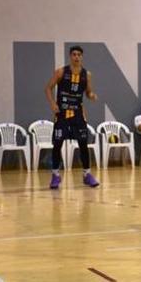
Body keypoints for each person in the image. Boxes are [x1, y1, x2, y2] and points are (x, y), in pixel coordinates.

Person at [45, 45, 99, 189]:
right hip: (62, 114)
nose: (76, 57)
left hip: (78, 114)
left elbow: (88, 92)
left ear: (82, 57)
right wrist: (52, 104)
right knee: (57, 144)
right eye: (74, 54)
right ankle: (55, 175)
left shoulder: (86, 74)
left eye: (79, 55)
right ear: (70, 56)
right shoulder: (61, 72)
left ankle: (87, 174)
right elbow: (48, 88)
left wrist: (91, 95)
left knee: (83, 144)